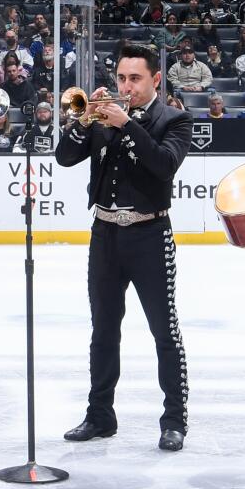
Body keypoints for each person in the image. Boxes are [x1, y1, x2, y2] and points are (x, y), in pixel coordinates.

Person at [54, 44, 191, 450]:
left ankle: (174, 420)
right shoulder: (100, 118)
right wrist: (83, 120)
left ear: (155, 80)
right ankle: (100, 416)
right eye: (121, 78)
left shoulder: (174, 120)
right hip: (106, 235)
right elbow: (64, 158)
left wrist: (127, 123)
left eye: (135, 79)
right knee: (103, 331)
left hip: (150, 235)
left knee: (164, 331)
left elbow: (164, 165)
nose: (126, 86)